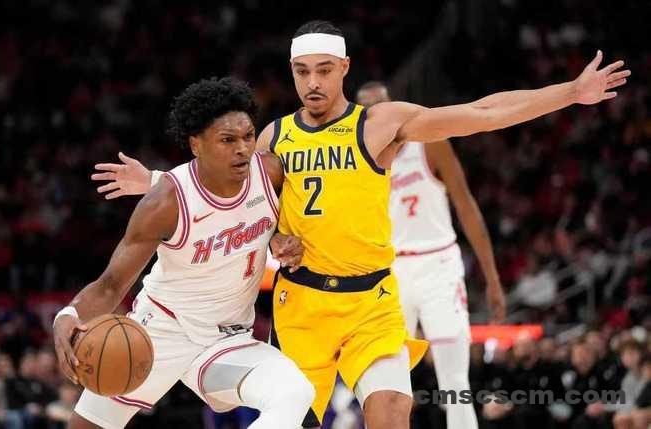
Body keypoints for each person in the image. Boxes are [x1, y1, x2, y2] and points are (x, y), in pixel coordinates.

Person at [91, 20, 629, 429]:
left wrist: (569, 93)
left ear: (344, 68)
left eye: (324, 70)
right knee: (294, 417)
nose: (313, 82)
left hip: (372, 302)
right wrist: (161, 181)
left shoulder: (379, 124)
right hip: (303, 307)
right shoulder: (273, 137)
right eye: (302, 72)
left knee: (392, 413)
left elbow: (481, 113)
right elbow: (229, 195)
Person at [52, 77, 315, 429]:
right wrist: (67, 315)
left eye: (249, 136)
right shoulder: (165, 202)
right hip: (160, 332)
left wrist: (280, 238)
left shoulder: (269, 173)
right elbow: (111, 285)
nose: (242, 149)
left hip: (226, 341)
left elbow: (281, 221)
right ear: (196, 144)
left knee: (294, 393)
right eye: (228, 140)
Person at [355, 80, 505, 429]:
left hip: (439, 266)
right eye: (369, 110)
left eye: (382, 105)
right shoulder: (354, 159)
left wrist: (492, 278)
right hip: (389, 272)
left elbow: (467, 207)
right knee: (388, 384)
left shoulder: (430, 143)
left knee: (454, 380)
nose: (378, 113)